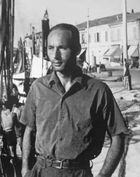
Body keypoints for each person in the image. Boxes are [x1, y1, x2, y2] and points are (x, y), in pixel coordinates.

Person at [20, 23, 128, 177]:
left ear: (77, 49)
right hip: (41, 171)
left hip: (77, 172)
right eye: (51, 48)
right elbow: (29, 130)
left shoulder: (98, 91)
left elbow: (118, 136)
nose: (55, 56)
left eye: (62, 48)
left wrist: (104, 175)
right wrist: (25, 168)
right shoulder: (38, 88)